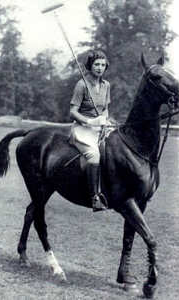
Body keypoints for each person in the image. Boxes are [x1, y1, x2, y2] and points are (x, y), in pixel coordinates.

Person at [69, 50, 111, 212]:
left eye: (103, 65)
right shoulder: (81, 85)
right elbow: (73, 112)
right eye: (97, 65)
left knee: (118, 145)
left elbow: (106, 109)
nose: (100, 68)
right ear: (90, 66)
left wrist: (104, 120)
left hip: (100, 126)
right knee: (94, 155)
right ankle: (95, 197)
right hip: (83, 128)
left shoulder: (106, 85)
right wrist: (90, 121)